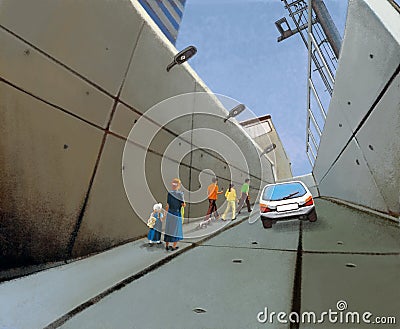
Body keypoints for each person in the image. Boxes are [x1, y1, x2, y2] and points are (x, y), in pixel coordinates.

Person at [164, 178, 185, 251]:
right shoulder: (180, 194)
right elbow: (183, 204)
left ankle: (167, 246)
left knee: (168, 229)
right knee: (176, 230)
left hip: (170, 213)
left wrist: (164, 215)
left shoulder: (169, 193)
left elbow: (167, 205)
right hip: (176, 213)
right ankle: (173, 247)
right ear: (178, 186)